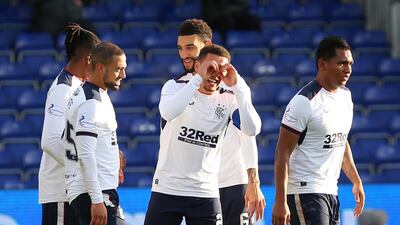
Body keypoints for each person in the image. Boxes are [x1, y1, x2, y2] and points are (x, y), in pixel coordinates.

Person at [144, 44, 261, 225]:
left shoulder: (228, 97)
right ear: (197, 66)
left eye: (221, 69)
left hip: (205, 192)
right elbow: (168, 112)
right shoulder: (174, 86)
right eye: (211, 67)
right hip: (167, 188)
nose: (215, 74)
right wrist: (198, 78)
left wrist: (238, 87)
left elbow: (252, 129)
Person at [176, 18, 266, 225]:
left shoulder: (231, 86)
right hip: (197, 186)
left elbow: (248, 132)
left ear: (206, 47)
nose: (184, 54)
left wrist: (253, 181)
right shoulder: (176, 88)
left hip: (233, 182)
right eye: (180, 48)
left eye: (190, 47)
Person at [272, 36, 365, 225]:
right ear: (322, 64)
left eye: (350, 64)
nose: (348, 70)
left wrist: (356, 180)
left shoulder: (346, 96)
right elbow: (282, 152)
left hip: (331, 191)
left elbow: (340, 140)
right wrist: (280, 202)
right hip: (304, 191)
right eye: (342, 64)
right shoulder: (304, 102)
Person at [39, 23, 100, 225]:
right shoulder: (63, 89)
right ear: (89, 59)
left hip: (74, 191)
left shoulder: (79, 86)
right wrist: (84, 169)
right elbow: (50, 140)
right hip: (62, 192)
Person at [63, 42, 127, 225]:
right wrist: (97, 200)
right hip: (95, 194)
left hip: (97, 190)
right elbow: (85, 154)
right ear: (100, 68)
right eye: (118, 69)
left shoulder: (90, 93)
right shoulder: (91, 104)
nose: (123, 75)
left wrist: (114, 155)